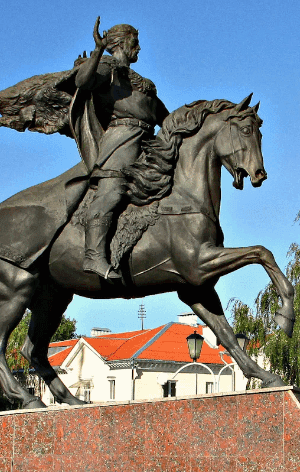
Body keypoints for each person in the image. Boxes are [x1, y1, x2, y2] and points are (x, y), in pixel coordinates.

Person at [71, 19, 170, 280]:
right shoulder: (108, 68)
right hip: (121, 142)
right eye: (135, 42)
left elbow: (164, 117)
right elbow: (82, 81)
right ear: (121, 43)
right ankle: (93, 256)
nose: (139, 47)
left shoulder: (142, 81)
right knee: (112, 192)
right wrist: (97, 52)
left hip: (148, 142)